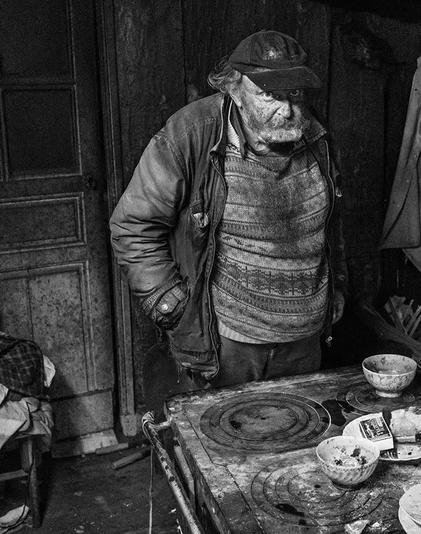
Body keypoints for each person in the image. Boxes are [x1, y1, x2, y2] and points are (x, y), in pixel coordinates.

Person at [109, 29, 347, 390]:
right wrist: (170, 303)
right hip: (230, 346)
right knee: (227, 442)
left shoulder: (317, 137)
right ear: (234, 90)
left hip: (304, 341)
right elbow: (132, 226)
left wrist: (337, 289)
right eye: (269, 95)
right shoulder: (192, 134)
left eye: (295, 93)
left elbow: (333, 228)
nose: (289, 111)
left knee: (295, 440)